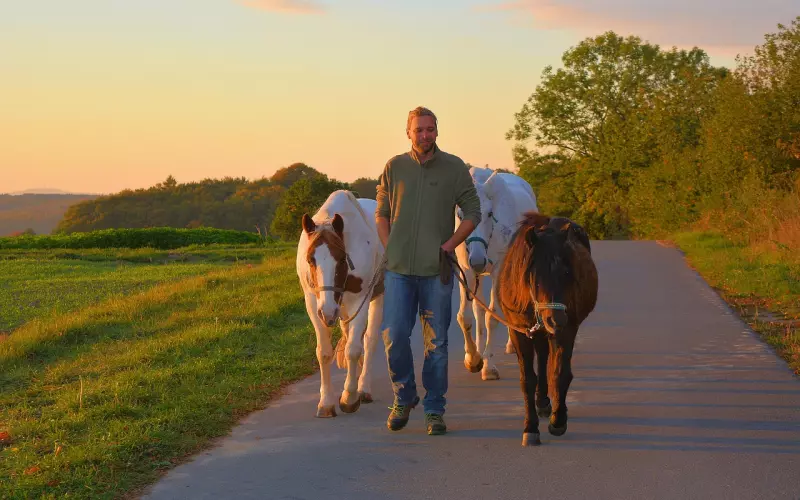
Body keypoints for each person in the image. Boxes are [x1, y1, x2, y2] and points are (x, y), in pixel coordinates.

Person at [375, 106, 481, 435]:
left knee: (436, 345)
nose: (425, 135)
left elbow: (473, 212)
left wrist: (450, 245)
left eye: (430, 129)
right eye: (419, 129)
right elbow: (382, 212)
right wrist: (390, 246)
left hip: (437, 271)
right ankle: (404, 396)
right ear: (408, 132)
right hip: (399, 271)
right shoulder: (395, 167)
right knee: (393, 336)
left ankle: (434, 409)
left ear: (437, 131)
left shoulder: (453, 168)